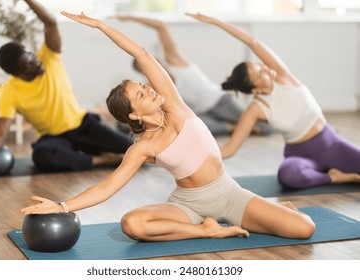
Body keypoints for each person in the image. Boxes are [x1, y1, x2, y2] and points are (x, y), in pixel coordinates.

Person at [20, 11, 315, 242]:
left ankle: (259, 213)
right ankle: (207, 231)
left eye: (143, 85)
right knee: (132, 224)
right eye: (140, 94)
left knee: (304, 228)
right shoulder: (143, 146)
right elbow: (108, 186)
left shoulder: (175, 106)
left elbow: (142, 55)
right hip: (187, 205)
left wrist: (101, 26)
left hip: (228, 195)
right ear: (134, 116)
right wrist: (63, 206)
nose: (148, 88)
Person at [187, 13, 360, 189]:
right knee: (288, 175)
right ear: (255, 89)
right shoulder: (255, 109)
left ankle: (329, 169)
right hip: (300, 155)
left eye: (259, 65)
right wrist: (194, 156)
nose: (265, 68)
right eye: (260, 73)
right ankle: (335, 178)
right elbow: (229, 149)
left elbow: (253, 42)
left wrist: (218, 22)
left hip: (331, 144)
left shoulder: (283, 76)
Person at [0, 0, 132, 173]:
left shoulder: (49, 57)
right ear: (17, 74)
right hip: (55, 138)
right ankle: (102, 160)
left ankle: (84, 156)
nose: (36, 62)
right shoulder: (9, 91)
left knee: (131, 149)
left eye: (31, 55)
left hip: (84, 126)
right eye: (27, 65)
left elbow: (51, 22)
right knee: (42, 155)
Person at [114, 15, 273, 136]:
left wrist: (129, 17)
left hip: (219, 101)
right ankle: (232, 127)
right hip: (202, 112)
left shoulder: (173, 59)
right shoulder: (152, 86)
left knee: (265, 128)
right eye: (143, 68)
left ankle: (242, 125)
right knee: (191, 126)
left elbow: (161, 26)